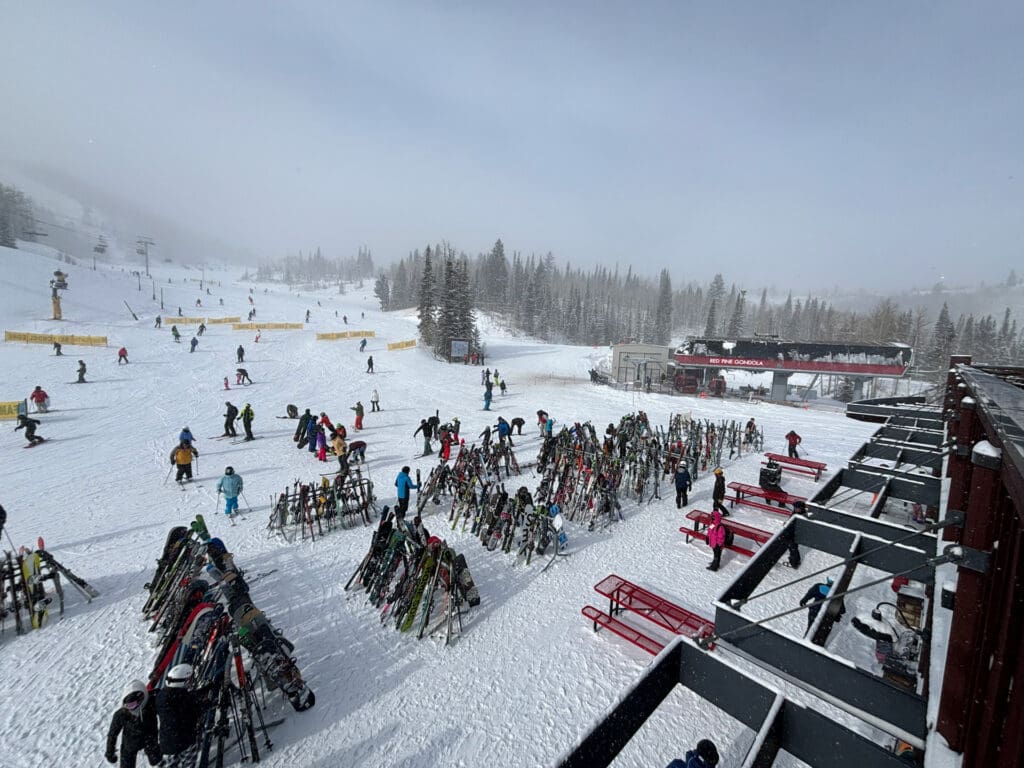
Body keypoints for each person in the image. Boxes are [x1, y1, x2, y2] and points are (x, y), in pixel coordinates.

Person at [105, 680, 161, 768]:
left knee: (156, 761)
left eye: (134, 704)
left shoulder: (151, 702)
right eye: (129, 706)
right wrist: (109, 752)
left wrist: (110, 754)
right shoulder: (121, 715)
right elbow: (112, 734)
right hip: (133, 744)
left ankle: (156, 761)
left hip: (148, 740)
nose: (132, 709)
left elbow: (112, 734)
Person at [155, 664, 202, 761]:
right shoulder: (183, 699)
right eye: (189, 680)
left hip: (165, 744)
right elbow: (194, 710)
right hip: (184, 743)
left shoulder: (162, 695)